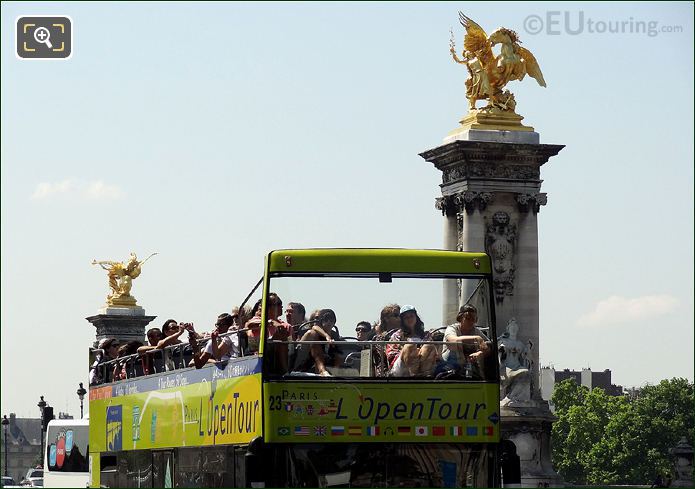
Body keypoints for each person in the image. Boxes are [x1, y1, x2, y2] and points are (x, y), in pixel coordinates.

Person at [386, 305, 438, 377]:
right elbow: (391, 354)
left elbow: (433, 352)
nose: (409, 319)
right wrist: (411, 352)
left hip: (422, 363)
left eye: (411, 316)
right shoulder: (397, 335)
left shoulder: (425, 335)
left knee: (428, 345)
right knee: (410, 346)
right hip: (402, 368)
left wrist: (419, 353)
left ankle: (424, 375)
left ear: (416, 317)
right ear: (402, 320)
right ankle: (413, 375)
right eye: (406, 317)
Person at [442, 304, 490, 377]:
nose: (471, 321)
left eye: (473, 319)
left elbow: (488, 346)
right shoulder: (452, 328)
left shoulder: (475, 331)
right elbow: (453, 340)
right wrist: (476, 338)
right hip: (450, 364)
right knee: (454, 347)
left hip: (468, 365)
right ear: (461, 318)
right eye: (468, 318)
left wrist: (480, 353)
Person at [296, 309, 342, 376]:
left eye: (331, 319)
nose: (328, 322)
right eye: (325, 319)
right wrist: (327, 336)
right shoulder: (310, 333)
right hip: (303, 366)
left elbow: (338, 355)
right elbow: (315, 328)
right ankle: (322, 371)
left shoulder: (335, 335)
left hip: (326, 369)